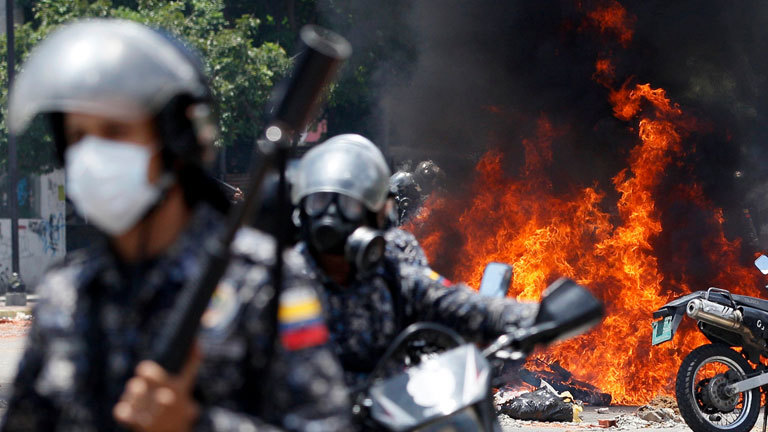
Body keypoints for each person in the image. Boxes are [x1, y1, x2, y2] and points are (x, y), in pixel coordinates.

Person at [1, 19, 350, 431]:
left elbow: (327, 424)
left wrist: (197, 423)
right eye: (78, 136)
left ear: (175, 140)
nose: (93, 154)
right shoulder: (67, 292)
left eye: (116, 131)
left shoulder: (263, 282)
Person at [290, 134, 537, 392]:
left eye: (349, 205)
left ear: (377, 216)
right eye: (318, 202)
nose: (331, 217)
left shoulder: (391, 273)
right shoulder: (276, 280)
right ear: (300, 213)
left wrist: (534, 316)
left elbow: (452, 303)